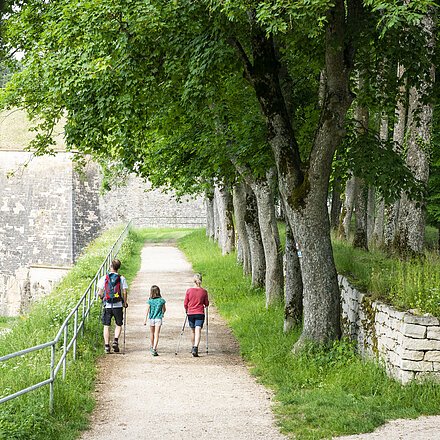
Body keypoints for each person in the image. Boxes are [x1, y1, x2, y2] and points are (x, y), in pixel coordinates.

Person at [97, 259, 128, 354]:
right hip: (118, 305)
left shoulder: (104, 278)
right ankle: (115, 341)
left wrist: (102, 298)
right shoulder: (121, 278)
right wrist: (125, 302)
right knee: (119, 324)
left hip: (107, 305)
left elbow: (99, 292)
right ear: (118, 268)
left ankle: (107, 346)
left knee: (106, 325)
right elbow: (124, 291)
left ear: (111, 266)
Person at [184, 273, 209, 357]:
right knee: (198, 330)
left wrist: (186, 310)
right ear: (201, 281)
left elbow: (185, 303)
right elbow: (206, 303)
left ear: (193, 280)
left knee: (193, 330)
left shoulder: (189, 291)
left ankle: (192, 347)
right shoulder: (204, 291)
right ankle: (195, 347)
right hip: (200, 313)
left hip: (191, 313)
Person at [144, 285, 166, 356]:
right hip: (158, 318)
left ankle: (152, 345)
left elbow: (147, 310)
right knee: (157, 334)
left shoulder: (150, 301)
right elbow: (164, 309)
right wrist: (162, 313)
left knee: (152, 333)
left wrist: (145, 320)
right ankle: (154, 348)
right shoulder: (162, 300)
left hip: (151, 318)